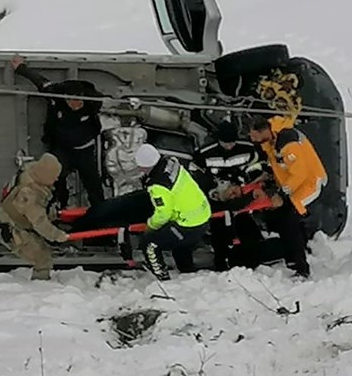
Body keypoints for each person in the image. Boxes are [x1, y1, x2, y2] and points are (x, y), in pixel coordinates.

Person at [10, 56, 106, 208]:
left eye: (78, 103)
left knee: (93, 181)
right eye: (71, 102)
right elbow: (40, 81)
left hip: (84, 150)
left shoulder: (93, 102)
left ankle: (100, 210)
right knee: (55, 176)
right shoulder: (55, 96)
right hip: (62, 149)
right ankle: (59, 205)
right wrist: (21, 67)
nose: (75, 106)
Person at [247, 115, 327, 278]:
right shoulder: (271, 140)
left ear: (262, 131)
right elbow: (279, 165)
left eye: (253, 135)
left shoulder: (288, 141)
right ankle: (291, 258)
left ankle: (301, 268)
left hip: (310, 183)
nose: (251, 138)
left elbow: (300, 174)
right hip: (293, 184)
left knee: (290, 219)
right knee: (282, 218)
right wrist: (268, 175)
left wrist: (282, 194)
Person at [190, 120, 266, 270]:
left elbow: (257, 166)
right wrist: (213, 190)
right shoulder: (205, 153)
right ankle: (221, 260)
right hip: (216, 197)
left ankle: (254, 256)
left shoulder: (248, 149)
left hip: (239, 194)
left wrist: (241, 183)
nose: (229, 147)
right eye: (225, 143)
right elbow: (195, 173)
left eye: (232, 143)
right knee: (219, 227)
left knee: (244, 222)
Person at [133, 143, 212, 281]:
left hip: (188, 224)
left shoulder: (157, 184)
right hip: (202, 215)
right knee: (181, 246)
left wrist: (150, 226)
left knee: (150, 245)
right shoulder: (171, 162)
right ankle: (188, 275)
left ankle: (162, 278)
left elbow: (163, 213)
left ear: (144, 166)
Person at [0, 153, 70, 280]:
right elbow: (40, 222)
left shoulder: (31, 171)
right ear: (45, 175)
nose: (56, 180)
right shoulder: (31, 194)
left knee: (43, 249)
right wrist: (57, 235)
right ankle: (39, 289)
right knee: (43, 259)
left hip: (17, 221)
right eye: (54, 176)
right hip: (12, 230)